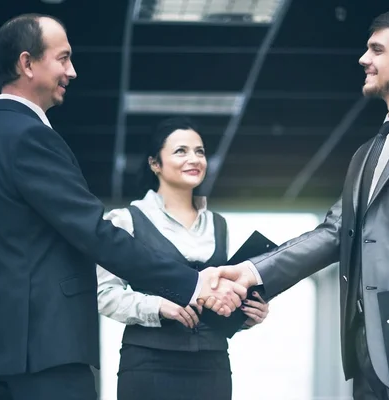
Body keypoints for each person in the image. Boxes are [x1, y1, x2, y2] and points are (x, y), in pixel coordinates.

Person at [0, 14, 246, 400]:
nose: (71, 71)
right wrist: (190, 284)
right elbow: (94, 231)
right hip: (44, 350)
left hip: (3, 350)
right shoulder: (29, 137)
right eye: (63, 58)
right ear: (27, 63)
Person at [216, 8, 389, 400]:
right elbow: (332, 234)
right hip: (366, 351)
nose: (364, 59)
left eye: (377, 50)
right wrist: (252, 271)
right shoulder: (366, 153)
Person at [96, 117, 270, 400]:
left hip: (212, 364)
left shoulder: (218, 224)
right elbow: (103, 294)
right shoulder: (126, 221)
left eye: (199, 151)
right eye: (181, 151)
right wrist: (158, 306)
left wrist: (247, 314)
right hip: (148, 363)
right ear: (155, 163)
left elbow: (219, 297)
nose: (194, 159)